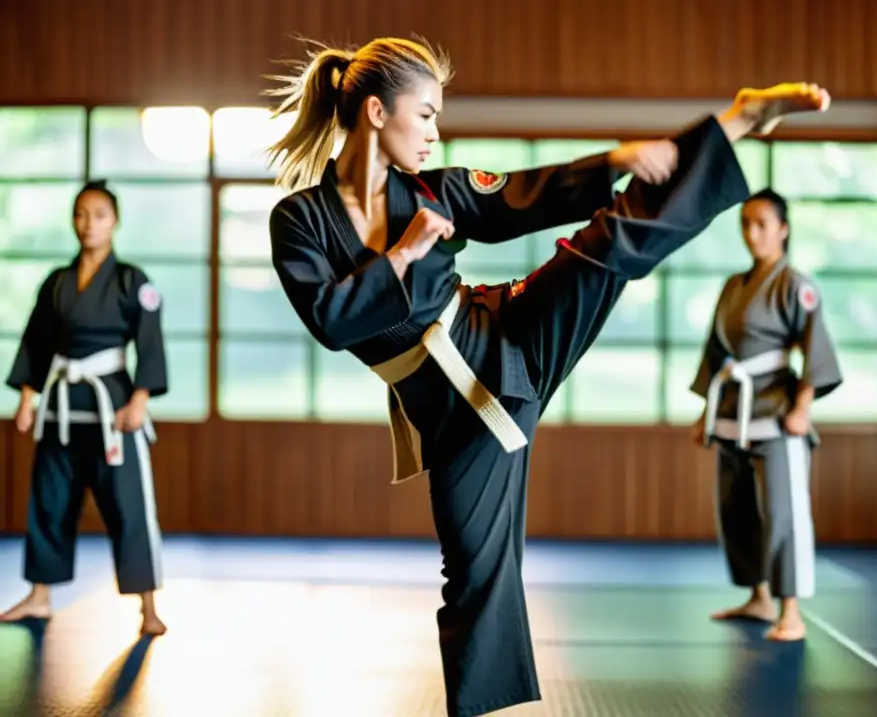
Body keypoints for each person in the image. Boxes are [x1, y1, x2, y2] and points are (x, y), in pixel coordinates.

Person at [265, 35, 830, 716]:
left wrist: (615, 160)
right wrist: (406, 252)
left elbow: (523, 197)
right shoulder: (298, 220)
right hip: (454, 418)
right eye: (426, 115)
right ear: (379, 113)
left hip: (508, 336)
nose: (436, 134)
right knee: (476, 572)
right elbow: (331, 320)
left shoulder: (436, 190)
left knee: (611, 242)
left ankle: (736, 122)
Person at [1, 180, 169, 637]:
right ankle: (39, 596)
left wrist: (140, 398)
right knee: (50, 501)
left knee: (128, 506)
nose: (87, 223)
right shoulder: (56, 283)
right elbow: (37, 340)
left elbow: (149, 343)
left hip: (112, 407)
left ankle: (148, 606)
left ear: (114, 221)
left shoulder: (134, 282)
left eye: (98, 214)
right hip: (60, 407)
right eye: (80, 214)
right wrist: (27, 397)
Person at [690, 188, 843, 643]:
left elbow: (815, 345)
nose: (752, 233)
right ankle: (758, 597)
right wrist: (706, 411)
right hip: (733, 412)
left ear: (783, 229)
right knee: (735, 510)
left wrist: (803, 406)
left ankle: (790, 610)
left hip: (777, 414)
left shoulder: (797, 284)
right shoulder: (732, 286)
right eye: (745, 224)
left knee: (782, 513)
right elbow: (716, 352)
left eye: (761, 223)